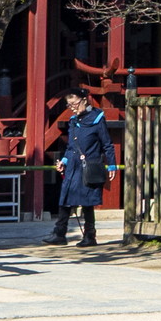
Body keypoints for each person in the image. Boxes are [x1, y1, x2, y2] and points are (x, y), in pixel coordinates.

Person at [44, 87, 115, 249]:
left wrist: (112, 165)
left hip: (89, 166)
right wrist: (64, 161)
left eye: (74, 104)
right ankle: (59, 233)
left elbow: (107, 144)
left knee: (87, 201)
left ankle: (90, 236)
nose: (72, 108)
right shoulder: (73, 121)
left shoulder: (97, 118)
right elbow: (71, 147)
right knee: (65, 198)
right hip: (73, 166)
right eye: (69, 105)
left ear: (84, 100)